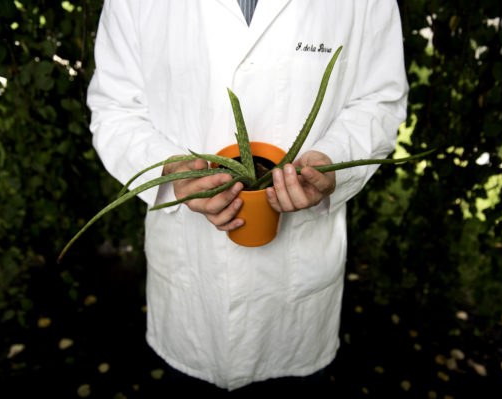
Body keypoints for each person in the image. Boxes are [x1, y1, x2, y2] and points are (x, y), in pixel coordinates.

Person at [87, 0, 408, 391]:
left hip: (296, 316)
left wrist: (334, 160)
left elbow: (379, 100)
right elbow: (115, 109)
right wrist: (167, 172)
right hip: (190, 299)